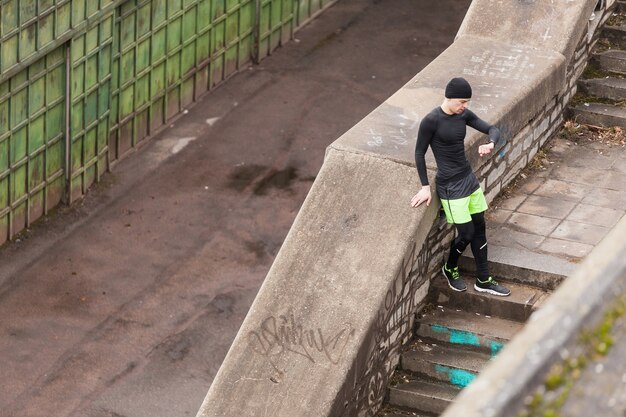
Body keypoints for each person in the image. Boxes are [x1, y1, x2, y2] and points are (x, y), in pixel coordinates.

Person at [410, 77, 510, 297]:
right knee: (466, 233)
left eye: (467, 102)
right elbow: (419, 153)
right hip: (450, 187)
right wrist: (425, 186)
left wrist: (491, 143)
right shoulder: (432, 120)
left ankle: (483, 279)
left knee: (480, 228)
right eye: (462, 101)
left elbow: (492, 129)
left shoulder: (463, 115)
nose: (465, 106)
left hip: (469, 180)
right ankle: (450, 267)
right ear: (450, 97)